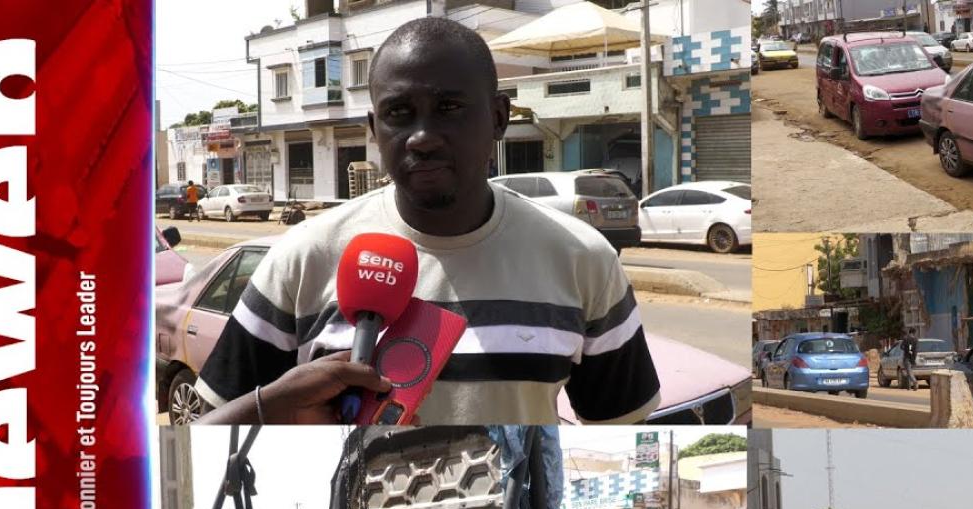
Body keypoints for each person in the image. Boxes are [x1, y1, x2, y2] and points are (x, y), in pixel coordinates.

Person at [194, 17, 660, 426]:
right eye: (399, 114)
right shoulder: (302, 257)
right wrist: (279, 403)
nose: (421, 137)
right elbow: (210, 423)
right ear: (375, 131)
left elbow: (624, 421)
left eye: (450, 108)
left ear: (498, 118)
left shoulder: (584, 259)